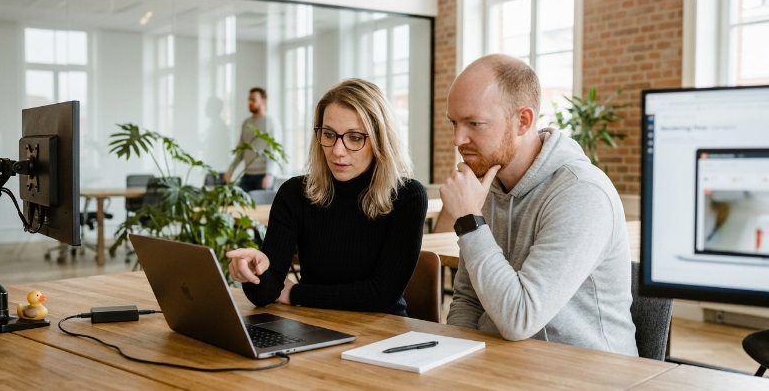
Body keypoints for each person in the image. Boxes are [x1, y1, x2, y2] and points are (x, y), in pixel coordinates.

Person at [440, 54, 638, 356]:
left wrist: (469, 219)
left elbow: (520, 318)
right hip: (507, 367)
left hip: (588, 376)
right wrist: (456, 358)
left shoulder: (582, 193)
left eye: (474, 124)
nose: (457, 139)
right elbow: (468, 299)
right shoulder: (486, 188)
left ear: (523, 120)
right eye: (454, 123)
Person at [226, 78, 428, 316]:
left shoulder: (406, 196)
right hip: (315, 327)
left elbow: (380, 296)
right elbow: (266, 294)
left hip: (382, 335)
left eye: (354, 137)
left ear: (380, 140)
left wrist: (295, 293)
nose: (337, 151)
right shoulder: (295, 193)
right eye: (329, 134)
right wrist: (253, 272)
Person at [225, 87, 280, 192]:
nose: (250, 102)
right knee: (237, 201)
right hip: (247, 174)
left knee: (262, 207)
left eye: (253, 99)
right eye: (249, 99)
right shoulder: (246, 123)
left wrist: (269, 174)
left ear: (263, 101)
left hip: (264, 176)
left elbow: (274, 152)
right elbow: (241, 149)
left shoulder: (270, 122)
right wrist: (231, 169)